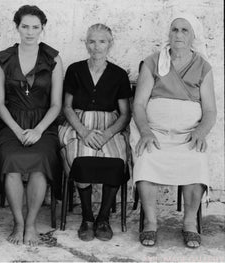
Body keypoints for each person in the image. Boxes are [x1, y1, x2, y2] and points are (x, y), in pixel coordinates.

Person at [130, 13, 217, 248]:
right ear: (168, 34)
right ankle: (150, 222)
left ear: (193, 36)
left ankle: (189, 223)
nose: (178, 34)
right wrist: (146, 131)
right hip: (154, 132)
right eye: (175, 29)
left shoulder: (203, 67)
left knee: (196, 161)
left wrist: (200, 132)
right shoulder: (152, 62)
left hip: (187, 135)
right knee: (146, 157)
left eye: (184, 30)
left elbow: (210, 111)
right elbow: (138, 104)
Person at [0, 5, 63, 246]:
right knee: (10, 161)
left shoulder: (53, 59)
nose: (30, 32)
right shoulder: (3, 59)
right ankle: (18, 221)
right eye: (25, 26)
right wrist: (15, 129)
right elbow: (0, 103)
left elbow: (56, 104)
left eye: (35, 27)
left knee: (39, 163)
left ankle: (31, 223)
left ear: (43, 28)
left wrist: (38, 130)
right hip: (11, 123)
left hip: (43, 124)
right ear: (17, 28)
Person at [59, 24, 132, 242]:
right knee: (81, 159)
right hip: (79, 124)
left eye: (102, 41)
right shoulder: (75, 70)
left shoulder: (118, 74)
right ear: (86, 43)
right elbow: (67, 107)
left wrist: (108, 133)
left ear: (110, 44)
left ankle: (103, 219)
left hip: (109, 126)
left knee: (116, 159)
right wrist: (83, 131)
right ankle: (87, 218)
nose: (96, 46)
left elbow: (125, 114)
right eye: (92, 41)